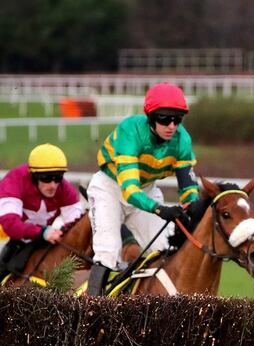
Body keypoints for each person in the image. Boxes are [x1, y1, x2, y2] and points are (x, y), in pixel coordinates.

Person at [85, 82, 199, 296]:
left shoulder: (182, 140)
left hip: (146, 190)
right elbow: (129, 190)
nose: (172, 126)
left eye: (177, 119)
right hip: (110, 188)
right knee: (108, 250)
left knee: (161, 251)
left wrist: (190, 208)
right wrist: (160, 209)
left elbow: (188, 186)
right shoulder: (131, 130)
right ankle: (92, 311)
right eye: (165, 118)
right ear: (150, 116)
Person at [0, 144, 85, 272]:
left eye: (58, 178)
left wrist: (61, 232)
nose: (53, 185)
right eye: (46, 178)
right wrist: (42, 232)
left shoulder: (65, 189)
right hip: (9, 237)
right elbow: (11, 225)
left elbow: (77, 226)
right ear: (33, 176)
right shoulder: (14, 181)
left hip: (40, 240)